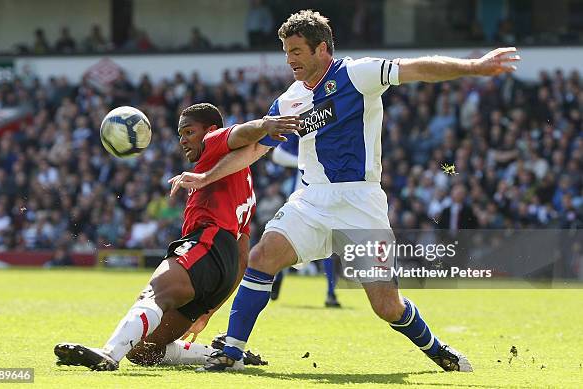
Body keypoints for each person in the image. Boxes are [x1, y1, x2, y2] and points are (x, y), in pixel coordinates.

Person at [170, 10, 519, 372]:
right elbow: (255, 150)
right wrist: (206, 176)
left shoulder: (357, 74)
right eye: (286, 52)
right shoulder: (288, 101)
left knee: (386, 306)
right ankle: (232, 351)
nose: (290, 60)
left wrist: (474, 66)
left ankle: (435, 348)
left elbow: (416, 68)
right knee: (262, 257)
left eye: (297, 51)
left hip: (360, 202)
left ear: (322, 49)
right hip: (312, 199)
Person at [53, 103, 300, 371]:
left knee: (154, 293)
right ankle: (217, 354)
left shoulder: (214, 143)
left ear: (211, 131)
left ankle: (109, 355)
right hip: (222, 268)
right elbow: (242, 257)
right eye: (180, 134)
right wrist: (209, 309)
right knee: (143, 352)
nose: (183, 140)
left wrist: (265, 125)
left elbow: (239, 132)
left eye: (189, 132)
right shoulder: (243, 183)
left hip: (207, 244)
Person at [270, 137, 341, 307]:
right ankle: (277, 277)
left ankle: (331, 294)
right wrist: (304, 162)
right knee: (287, 242)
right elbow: (278, 155)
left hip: (328, 197)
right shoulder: (307, 124)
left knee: (330, 244)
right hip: (301, 198)